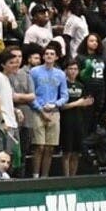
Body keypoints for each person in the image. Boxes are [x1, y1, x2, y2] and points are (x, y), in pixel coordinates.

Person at [28, 43, 68, 179]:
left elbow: (64, 95)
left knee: (50, 147)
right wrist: (40, 109)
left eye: (52, 54)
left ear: (56, 57)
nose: (49, 56)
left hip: (54, 112)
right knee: (39, 146)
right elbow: (30, 93)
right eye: (46, 54)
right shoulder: (34, 72)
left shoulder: (61, 74)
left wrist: (55, 104)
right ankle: (35, 175)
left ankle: (45, 176)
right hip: (38, 111)